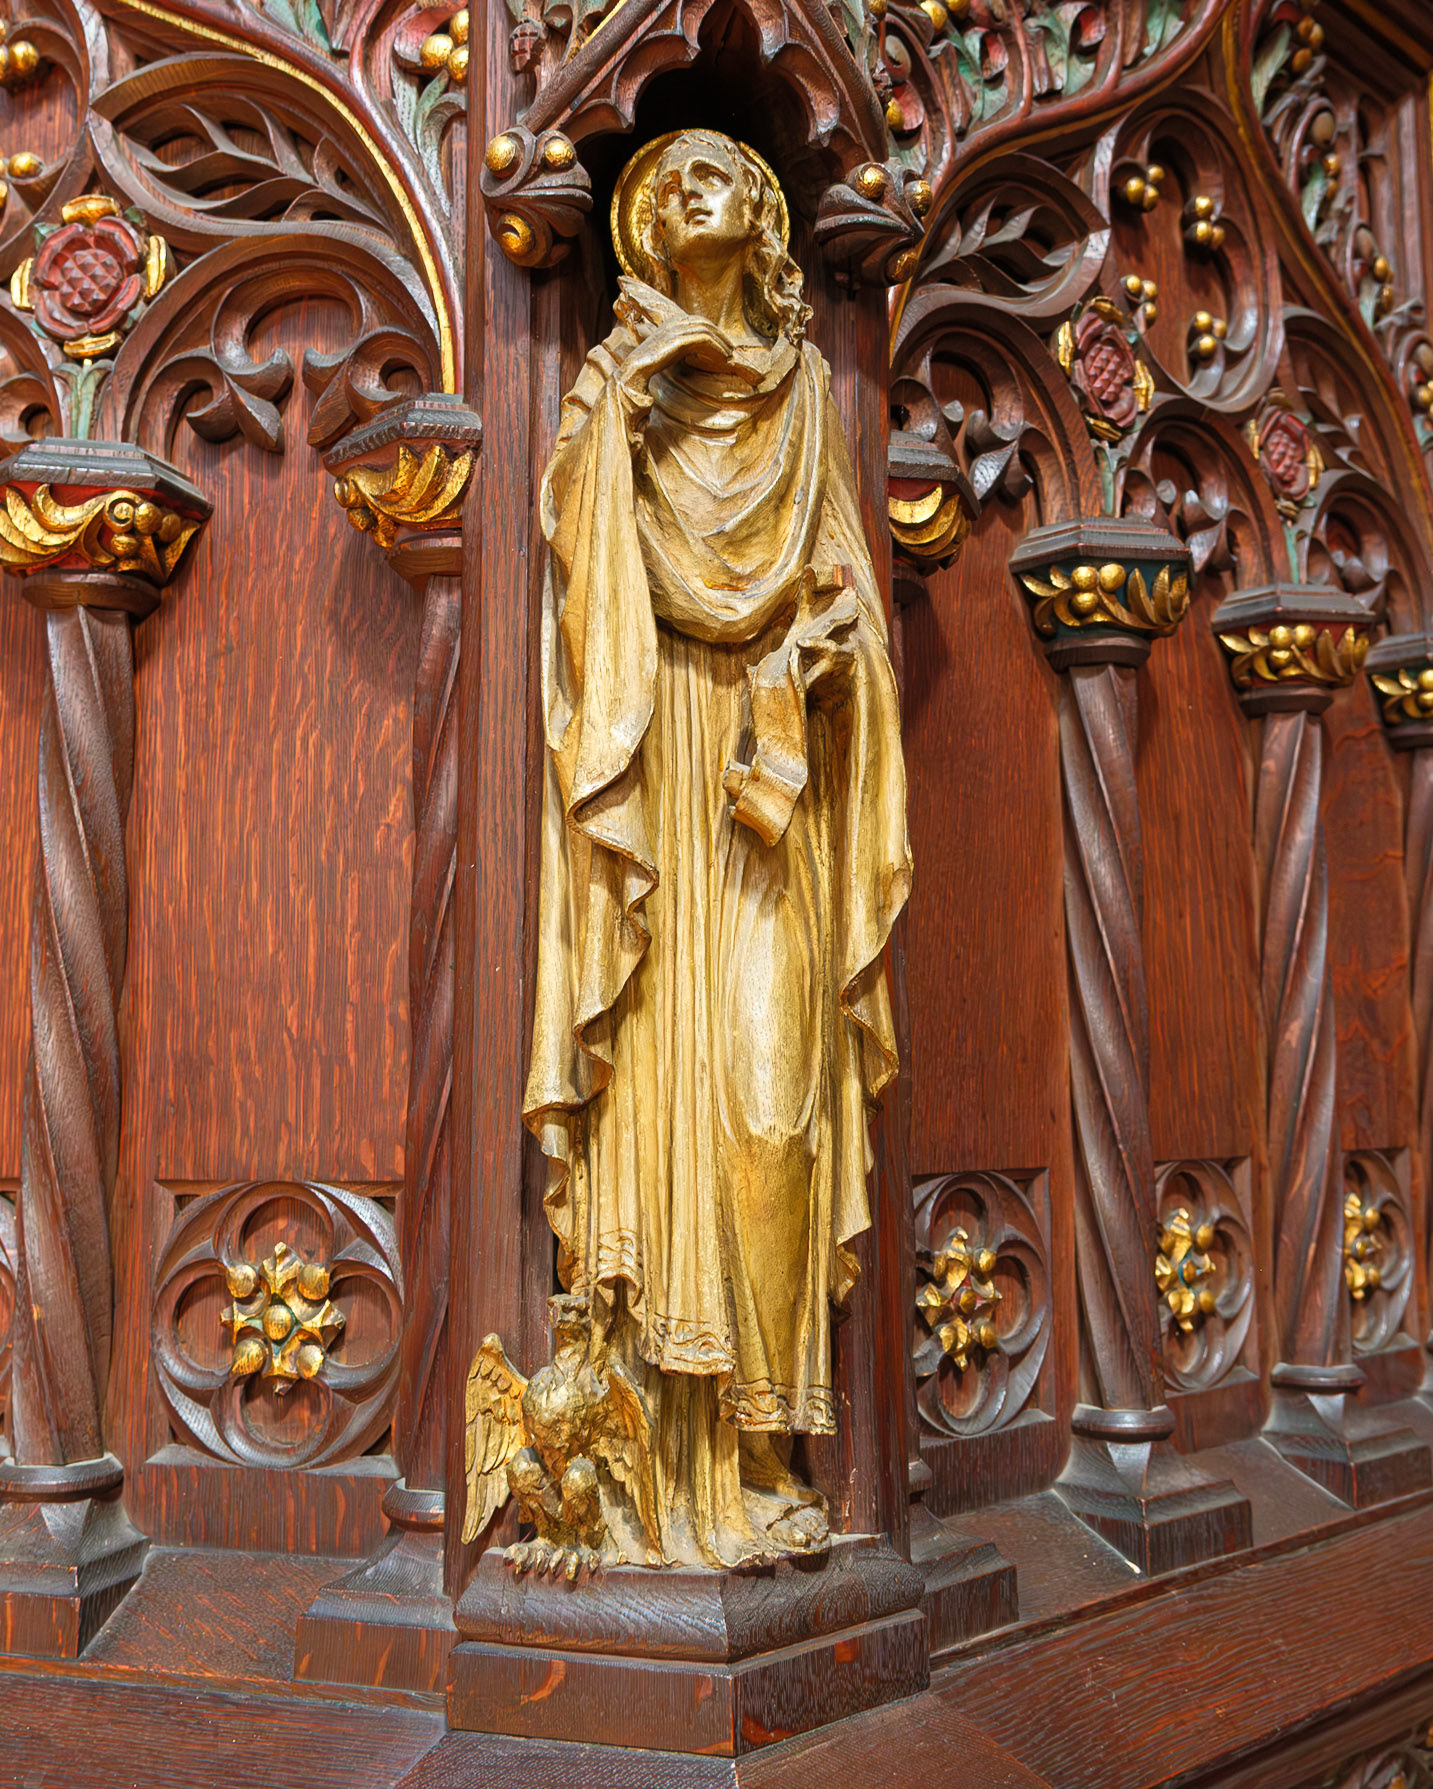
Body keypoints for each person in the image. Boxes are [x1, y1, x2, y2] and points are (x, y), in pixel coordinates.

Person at [523, 126, 911, 1567]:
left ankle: (761, 1438)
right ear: (634, 226)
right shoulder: (612, 384)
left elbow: (849, 602)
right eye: (668, 178)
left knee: (772, 1106)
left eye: (723, 178)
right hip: (652, 762)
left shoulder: (810, 393)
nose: (697, 189)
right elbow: (575, 585)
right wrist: (614, 425)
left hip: (767, 788)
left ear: (764, 222)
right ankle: (649, 1447)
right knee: (647, 1085)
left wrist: (819, 659)